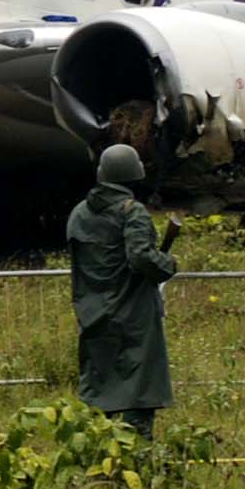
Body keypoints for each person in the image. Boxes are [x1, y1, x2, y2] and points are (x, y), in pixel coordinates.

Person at [66, 144, 180, 436]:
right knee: (138, 398)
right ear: (134, 176)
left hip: (93, 314)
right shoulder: (133, 212)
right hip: (134, 319)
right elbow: (141, 257)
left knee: (98, 397)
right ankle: (134, 467)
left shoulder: (78, 214)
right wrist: (167, 263)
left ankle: (97, 464)